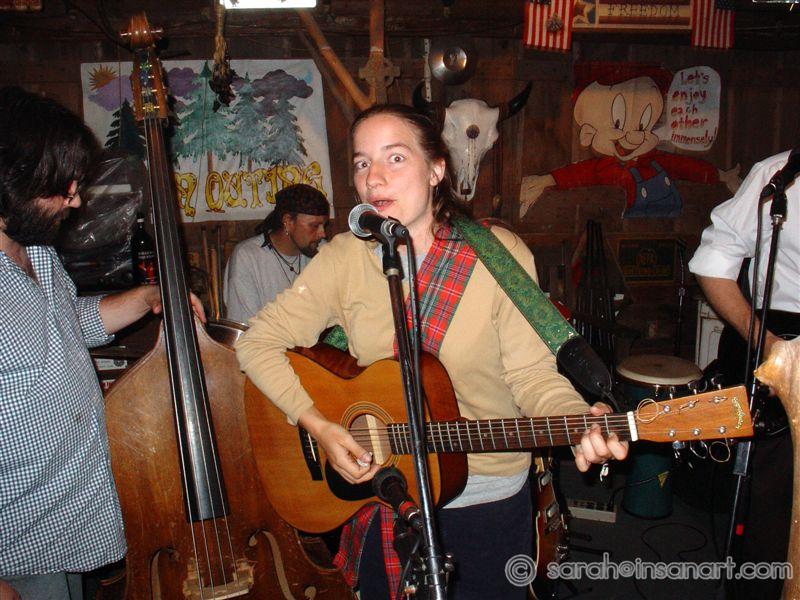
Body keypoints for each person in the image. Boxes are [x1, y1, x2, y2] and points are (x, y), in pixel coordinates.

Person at [236, 104, 628, 599]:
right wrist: (320, 426)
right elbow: (256, 342)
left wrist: (577, 419)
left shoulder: (498, 255)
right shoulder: (344, 258)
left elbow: (532, 377)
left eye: (395, 158)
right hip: (386, 492)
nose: (374, 177)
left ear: (436, 169)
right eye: (362, 163)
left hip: (484, 500)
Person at [0, 87, 204, 599]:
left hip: (69, 528)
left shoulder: (37, 252)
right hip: (18, 555)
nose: (75, 199)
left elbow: (64, 326)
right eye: (59, 186)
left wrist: (148, 296)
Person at [688, 149, 800, 599]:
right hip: (786, 345)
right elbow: (713, 261)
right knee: (773, 514)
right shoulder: (779, 175)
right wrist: (769, 344)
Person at [223, 183, 329, 323]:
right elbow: (245, 326)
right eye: (314, 226)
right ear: (288, 221)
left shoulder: (323, 251)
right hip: (264, 337)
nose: (322, 233)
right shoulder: (247, 257)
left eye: (324, 225)